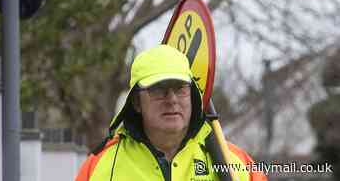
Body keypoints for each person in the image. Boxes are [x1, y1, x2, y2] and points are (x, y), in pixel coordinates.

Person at [75, 44, 267, 181]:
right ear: (136, 102)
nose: (172, 99)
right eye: (158, 89)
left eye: (180, 88)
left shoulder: (236, 162)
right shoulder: (99, 166)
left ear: (192, 95)